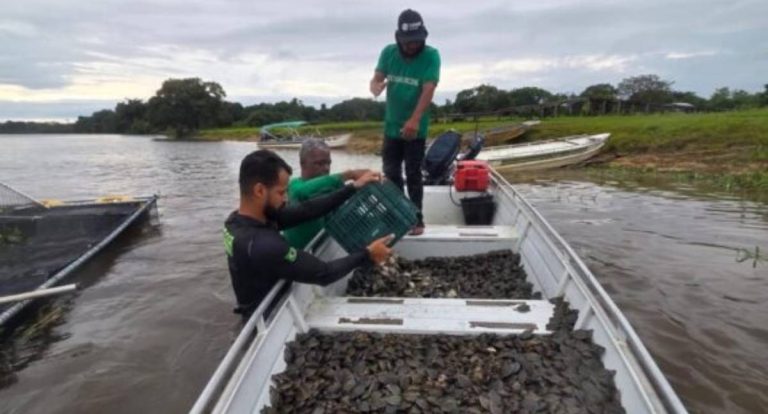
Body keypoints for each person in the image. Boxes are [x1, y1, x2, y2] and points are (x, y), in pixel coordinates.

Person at [223, 149, 392, 318]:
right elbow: (323, 273)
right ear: (259, 191)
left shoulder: (237, 221)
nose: (286, 199)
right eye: (281, 193)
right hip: (267, 316)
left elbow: (307, 210)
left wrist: (353, 187)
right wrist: (368, 254)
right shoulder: (262, 245)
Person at [370, 9, 440, 236]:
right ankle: (401, 215)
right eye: (408, 42)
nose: (412, 46)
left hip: (415, 129)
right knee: (391, 173)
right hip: (391, 127)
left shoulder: (431, 55)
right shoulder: (388, 53)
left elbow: (429, 89)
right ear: (398, 39)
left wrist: (414, 120)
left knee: (413, 173)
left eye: (417, 41)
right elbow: (376, 79)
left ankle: (417, 220)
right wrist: (376, 86)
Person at [283, 138, 371, 250]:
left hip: (327, 251)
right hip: (301, 256)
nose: (326, 168)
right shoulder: (294, 186)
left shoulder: (330, 186)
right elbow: (301, 191)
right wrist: (349, 174)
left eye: (328, 163)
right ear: (303, 164)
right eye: (319, 163)